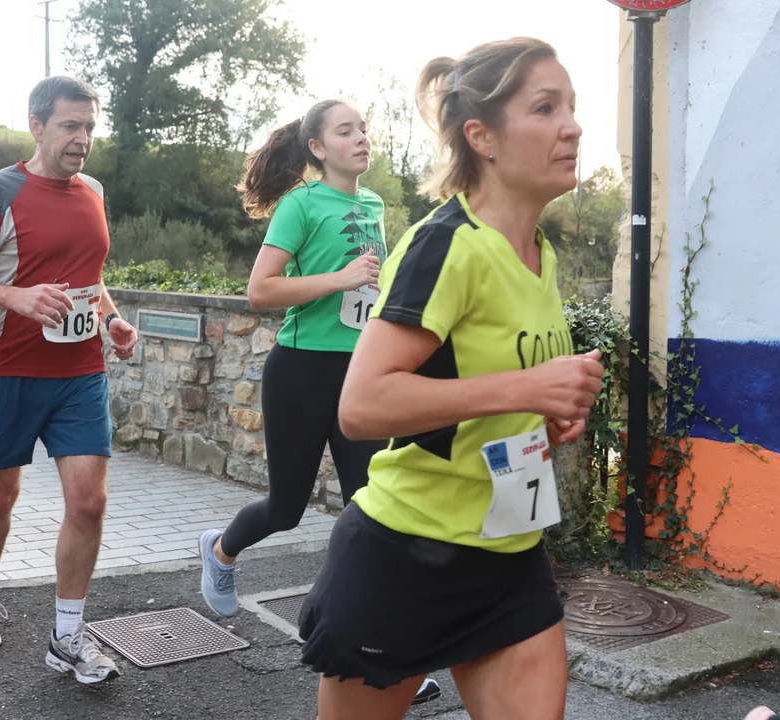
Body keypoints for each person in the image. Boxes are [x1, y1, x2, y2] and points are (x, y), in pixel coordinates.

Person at [294, 38, 606, 720]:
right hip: (408, 555)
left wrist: (547, 414)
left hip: (510, 554)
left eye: (572, 107)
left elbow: (491, 385)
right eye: (546, 108)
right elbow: (362, 404)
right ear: (481, 137)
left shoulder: (539, 253)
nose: (573, 127)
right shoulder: (446, 244)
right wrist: (528, 389)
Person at [195, 99, 441, 706]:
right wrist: (341, 279)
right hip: (301, 371)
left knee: (374, 513)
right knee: (287, 508)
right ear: (317, 147)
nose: (361, 138)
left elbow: (373, 288)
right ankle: (221, 550)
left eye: (364, 129)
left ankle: (388, 659)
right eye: (345, 130)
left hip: (361, 373)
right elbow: (260, 290)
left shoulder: (373, 203)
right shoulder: (299, 205)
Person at [0, 75, 137, 686]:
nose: (83, 139)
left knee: (90, 500)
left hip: (79, 373)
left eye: (90, 128)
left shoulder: (93, 191)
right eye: (70, 126)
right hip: (6, 370)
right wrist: (17, 298)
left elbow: (89, 276)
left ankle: (67, 637)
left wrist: (111, 318)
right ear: (37, 125)